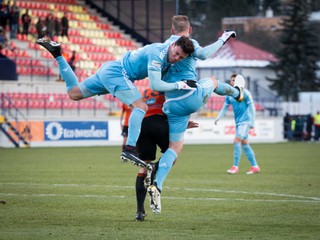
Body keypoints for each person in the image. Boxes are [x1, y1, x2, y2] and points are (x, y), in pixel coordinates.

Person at [36, 35, 196, 170]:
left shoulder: (169, 57)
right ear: (172, 45)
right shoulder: (158, 53)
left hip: (111, 69)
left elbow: (166, 90)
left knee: (74, 93)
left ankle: (57, 54)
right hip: (118, 73)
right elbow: (154, 85)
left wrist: (182, 116)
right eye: (176, 54)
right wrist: (180, 85)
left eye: (181, 58)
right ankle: (130, 148)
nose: (177, 59)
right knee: (141, 106)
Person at [146, 15, 244, 214]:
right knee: (214, 81)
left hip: (171, 105)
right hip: (190, 97)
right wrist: (222, 39)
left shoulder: (164, 47)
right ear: (189, 30)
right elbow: (205, 55)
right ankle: (237, 93)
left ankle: (158, 184)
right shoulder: (189, 44)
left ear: (172, 31)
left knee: (174, 148)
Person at [134, 88, 199, 221]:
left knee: (144, 166)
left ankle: (140, 212)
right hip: (159, 121)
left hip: (142, 123)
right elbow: (173, 109)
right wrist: (183, 125)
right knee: (172, 154)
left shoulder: (146, 90)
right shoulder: (167, 88)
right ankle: (155, 168)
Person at [214, 73, 260, 175]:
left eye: (235, 80)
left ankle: (235, 167)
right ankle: (255, 166)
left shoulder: (246, 93)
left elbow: (252, 107)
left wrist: (252, 122)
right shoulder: (229, 96)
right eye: (232, 80)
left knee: (236, 140)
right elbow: (225, 108)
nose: (233, 82)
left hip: (246, 122)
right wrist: (218, 117)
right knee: (245, 143)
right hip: (239, 123)